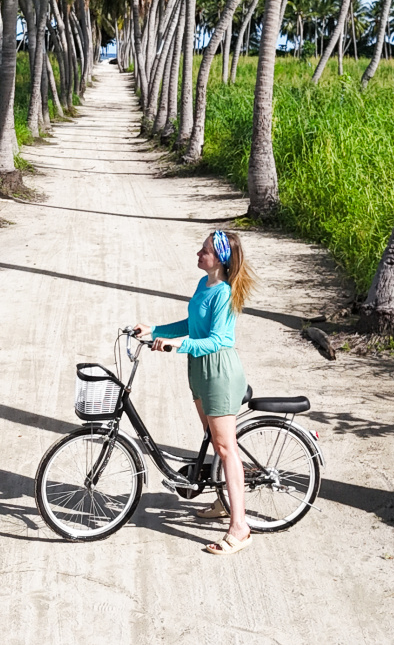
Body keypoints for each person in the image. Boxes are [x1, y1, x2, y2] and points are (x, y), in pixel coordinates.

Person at [136, 228, 255, 555]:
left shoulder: (225, 293)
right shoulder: (205, 284)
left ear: (218, 260)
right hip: (199, 370)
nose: (198, 254)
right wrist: (156, 330)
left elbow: (219, 340)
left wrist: (177, 344)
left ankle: (240, 527)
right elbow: (193, 325)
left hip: (219, 371)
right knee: (212, 438)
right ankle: (223, 499)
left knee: (226, 447)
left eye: (204, 251)